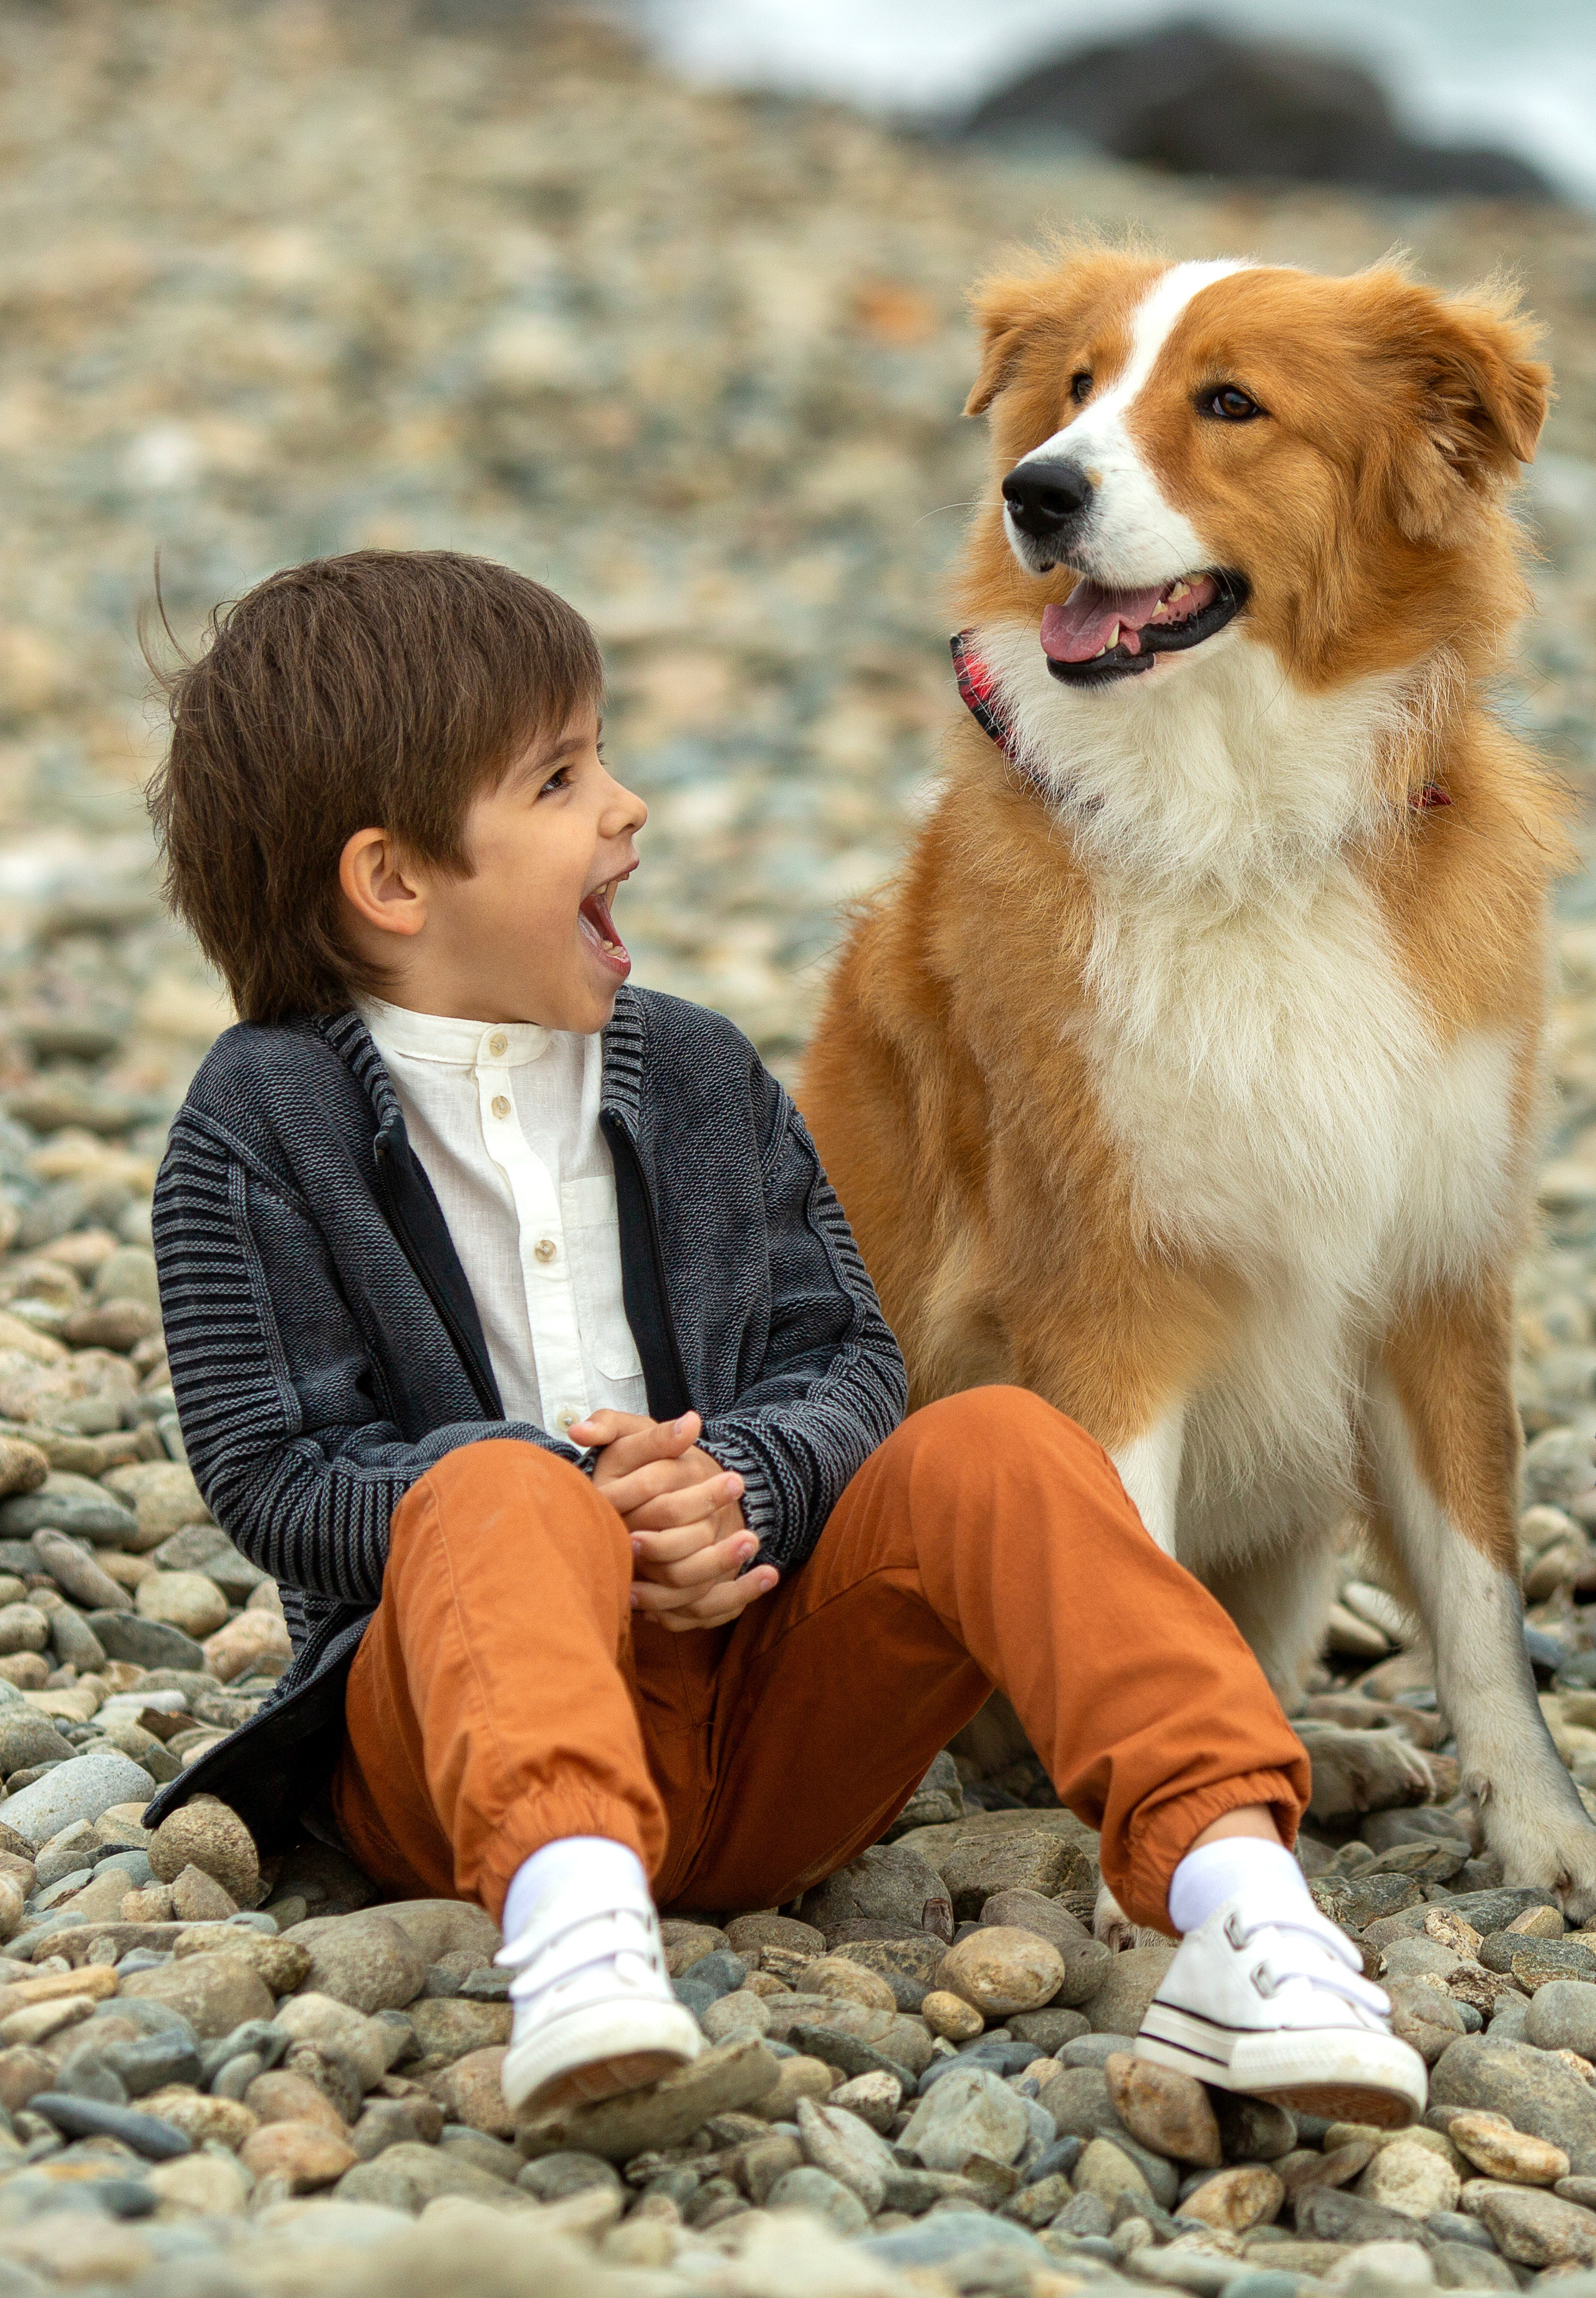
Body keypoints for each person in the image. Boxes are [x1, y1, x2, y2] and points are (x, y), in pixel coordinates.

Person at [143, 549, 1426, 2128]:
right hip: (452, 1745)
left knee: (1005, 1437)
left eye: (602, 753)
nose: (626, 807)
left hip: (765, 1729)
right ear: (394, 884)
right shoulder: (257, 1126)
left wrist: (739, 1486)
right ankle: (572, 1933)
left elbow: (846, 1364)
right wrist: (572, 1504)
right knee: (490, 1488)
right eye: (559, 779)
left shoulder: (693, 1073)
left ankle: (1241, 1908)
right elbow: (273, 1473)